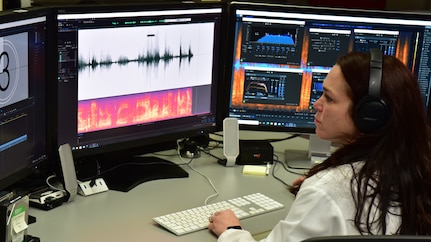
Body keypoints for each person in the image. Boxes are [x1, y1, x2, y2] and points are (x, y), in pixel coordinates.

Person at [208, 51, 431, 241]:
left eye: (329, 98)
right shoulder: (416, 171)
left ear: (370, 115)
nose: (317, 104)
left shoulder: (326, 190)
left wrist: (232, 232)